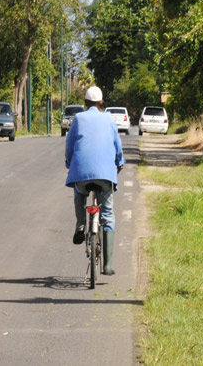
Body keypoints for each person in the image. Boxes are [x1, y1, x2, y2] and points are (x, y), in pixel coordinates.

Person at [65, 85, 125, 275]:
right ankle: (108, 265)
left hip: (81, 173)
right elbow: (117, 144)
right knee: (107, 215)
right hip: (105, 174)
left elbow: (70, 144)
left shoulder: (78, 118)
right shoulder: (109, 119)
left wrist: (69, 162)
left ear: (85, 103)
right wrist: (120, 162)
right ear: (101, 102)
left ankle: (81, 224)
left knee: (79, 192)